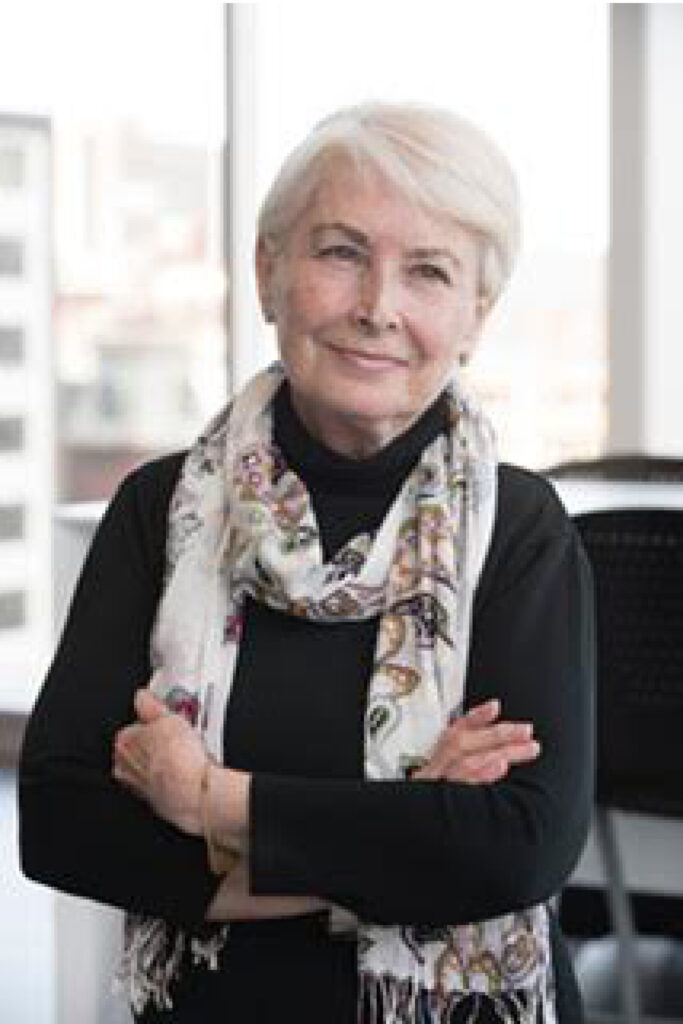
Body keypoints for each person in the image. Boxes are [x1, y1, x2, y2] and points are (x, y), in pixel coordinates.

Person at [19, 102, 594, 1023]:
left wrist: (210, 801)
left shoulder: (519, 528)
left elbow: (518, 846)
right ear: (267, 272)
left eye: (428, 271)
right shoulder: (160, 509)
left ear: (474, 317)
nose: (377, 307)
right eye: (340, 253)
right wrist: (407, 832)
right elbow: (60, 823)